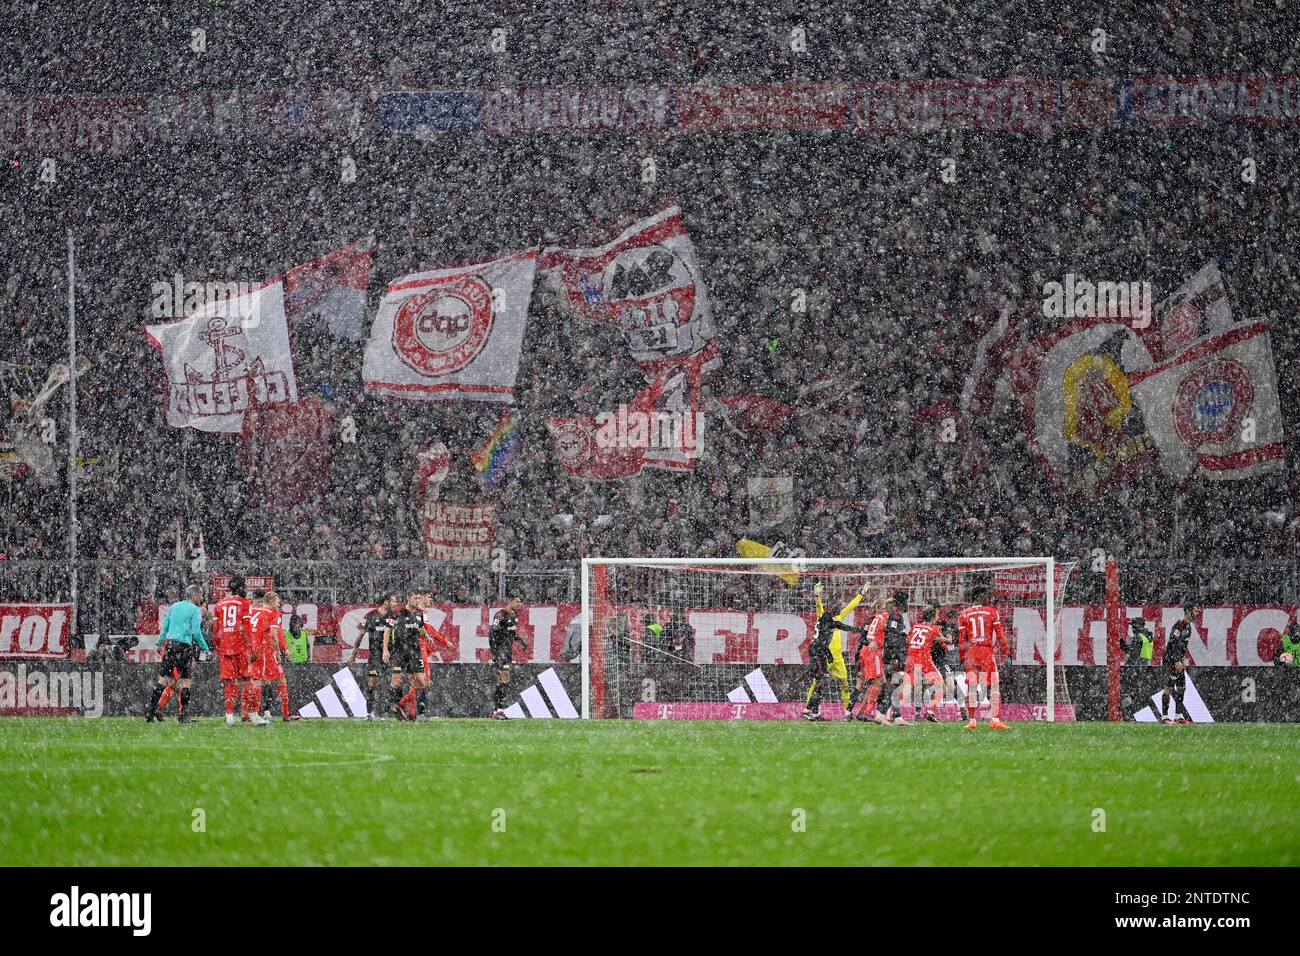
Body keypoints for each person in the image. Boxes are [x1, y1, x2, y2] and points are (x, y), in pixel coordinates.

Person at [803, 582, 870, 722]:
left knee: (844, 684)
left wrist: (861, 595)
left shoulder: (836, 618)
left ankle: (847, 712)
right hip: (824, 654)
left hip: (836, 657)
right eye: (838, 608)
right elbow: (818, 606)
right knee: (817, 682)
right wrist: (817, 596)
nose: (840, 609)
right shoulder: (824, 616)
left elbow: (851, 606)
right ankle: (810, 710)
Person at [145, 584, 210, 724]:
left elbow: (165, 626)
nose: (202, 597)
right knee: (185, 680)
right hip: (184, 646)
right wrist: (205, 648)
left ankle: (150, 710)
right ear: (194, 595)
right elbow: (196, 632)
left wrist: (159, 642)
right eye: (201, 594)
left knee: (163, 679)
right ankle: (183, 716)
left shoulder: (174, 607)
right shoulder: (195, 610)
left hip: (169, 644)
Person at [958, 586, 1011, 730]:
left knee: (972, 687)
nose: (989, 598)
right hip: (986, 652)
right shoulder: (992, 612)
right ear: (980, 596)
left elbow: (962, 640)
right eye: (987, 596)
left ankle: (972, 721)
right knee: (993, 686)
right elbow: (1000, 635)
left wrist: (962, 657)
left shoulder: (964, 614)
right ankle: (994, 720)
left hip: (971, 653)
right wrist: (1007, 652)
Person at [384, 591, 433, 721]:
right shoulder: (397, 613)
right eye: (414, 598)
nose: (417, 600)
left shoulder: (419, 613)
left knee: (422, 682)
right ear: (408, 598)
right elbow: (387, 631)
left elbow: (420, 627)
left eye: (418, 598)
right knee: (395, 681)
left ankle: (405, 708)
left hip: (415, 652)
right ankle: (390, 711)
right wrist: (385, 650)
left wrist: (427, 636)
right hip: (400, 653)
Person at [248, 592, 296, 722]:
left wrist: (285, 647)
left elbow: (277, 632)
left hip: (253, 649)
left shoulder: (254, 611)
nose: (279, 604)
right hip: (265, 650)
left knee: (262, 680)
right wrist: (279, 652)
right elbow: (274, 635)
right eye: (278, 601)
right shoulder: (273, 614)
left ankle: (262, 712)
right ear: (271, 601)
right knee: (266, 680)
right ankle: (257, 714)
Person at [212, 576, 252, 727]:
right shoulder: (245, 603)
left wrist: (217, 648)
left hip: (225, 646)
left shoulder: (219, 604)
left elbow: (215, 631)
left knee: (230, 681)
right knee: (247, 679)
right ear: (241, 588)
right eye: (245, 587)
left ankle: (229, 715)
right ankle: (251, 714)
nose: (246, 590)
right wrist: (250, 647)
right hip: (240, 645)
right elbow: (247, 628)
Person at [349, 594, 396, 718]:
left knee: (387, 682)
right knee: (372, 682)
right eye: (393, 601)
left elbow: (388, 632)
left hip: (387, 655)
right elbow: (361, 635)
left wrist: (386, 649)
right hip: (374, 655)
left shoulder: (392, 615)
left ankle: (385, 712)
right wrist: (354, 653)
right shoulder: (370, 616)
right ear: (386, 602)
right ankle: (369, 713)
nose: (395, 604)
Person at [898, 602, 945, 724]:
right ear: (933, 617)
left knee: (908, 687)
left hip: (911, 658)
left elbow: (908, 640)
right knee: (940, 684)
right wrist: (950, 638)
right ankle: (930, 711)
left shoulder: (915, 627)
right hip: (923, 659)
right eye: (936, 616)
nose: (938, 618)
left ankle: (892, 712)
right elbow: (944, 641)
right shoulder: (934, 629)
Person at [849, 596, 891, 724]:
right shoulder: (885, 617)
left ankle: (862, 712)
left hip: (866, 651)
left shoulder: (876, 618)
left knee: (878, 681)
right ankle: (866, 712)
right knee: (878, 682)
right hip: (873, 652)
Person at [490, 596, 529, 719]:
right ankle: (499, 710)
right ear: (510, 601)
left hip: (507, 651)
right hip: (501, 652)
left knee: (501, 681)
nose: (519, 604)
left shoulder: (514, 616)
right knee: (504, 678)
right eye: (517, 601)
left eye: (520, 601)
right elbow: (492, 634)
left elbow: (511, 632)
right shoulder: (500, 615)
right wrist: (495, 653)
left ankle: (497, 711)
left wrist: (520, 641)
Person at [1156, 604, 1196, 724]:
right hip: (1171, 659)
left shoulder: (1188, 626)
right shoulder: (1180, 624)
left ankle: (1178, 716)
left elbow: (1181, 646)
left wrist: (1181, 659)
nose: (1197, 613)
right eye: (1195, 610)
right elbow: (1172, 643)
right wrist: (1175, 660)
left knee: (1181, 687)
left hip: (1179, 660)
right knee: (1169, 687)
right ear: (1188, 612)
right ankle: (1164, 717)